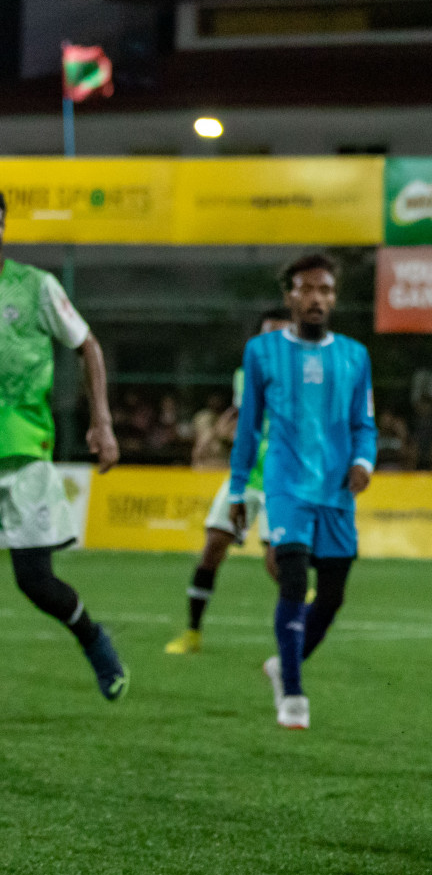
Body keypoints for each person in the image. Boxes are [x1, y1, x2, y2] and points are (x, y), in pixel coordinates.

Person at [229, 254, 376, 730]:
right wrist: (237, 490)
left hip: (335, 491)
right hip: (287, 486)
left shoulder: (355, 356)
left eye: (327, 290)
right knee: (293, 580)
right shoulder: (262, 352)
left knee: (332, 597)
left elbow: (365, 424)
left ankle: (282, 664)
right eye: (308, 289)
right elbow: (248, 428)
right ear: (289, 296)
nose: (318, 298)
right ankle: (292, 692)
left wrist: (362, 461)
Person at [0, 193, 128, 699]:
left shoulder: (35, 288)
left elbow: (87, 345)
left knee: (35, 582)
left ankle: (94, 640)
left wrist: (102, 419)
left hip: (24, 454)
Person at [164, 310, 289, 655]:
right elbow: (242, 419)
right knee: (212, 549)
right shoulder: (245, 374)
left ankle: (298, 625)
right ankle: (192, 633)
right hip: (245, 476)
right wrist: (219, 435)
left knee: (276, 560)